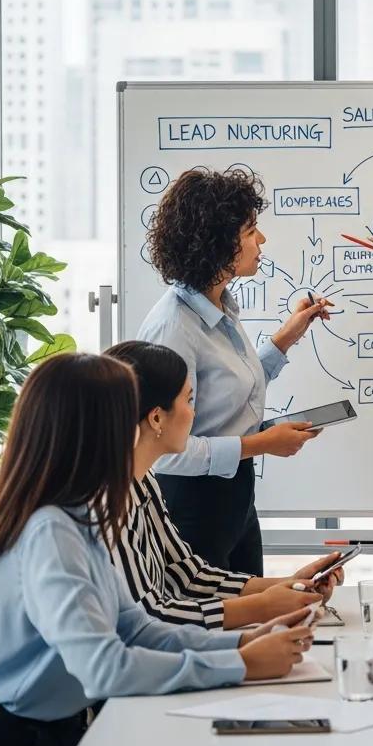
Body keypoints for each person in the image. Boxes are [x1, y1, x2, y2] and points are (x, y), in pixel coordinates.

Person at [0, 353, 315, 746]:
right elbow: (105, 669)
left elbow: (135, 628)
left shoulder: (80, 513)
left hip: (52, 734)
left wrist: (241, 645)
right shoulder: (51, 531)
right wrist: (239, 667)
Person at [139, 166, 331, 575]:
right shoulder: (174, 327)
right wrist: (261, 445)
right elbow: (165, 454)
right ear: (217, 243)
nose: (261, 240)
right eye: (250, 231)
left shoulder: (219, 305)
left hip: (235, 498)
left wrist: (287, 336)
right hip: (192, 507)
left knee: (248, 621)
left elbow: (234, 385)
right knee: (213, 626)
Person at [106, 339, 347, 628]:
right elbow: (149, 615)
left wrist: (293, 583)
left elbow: (189, 578)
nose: (194, 413)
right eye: (189, 400)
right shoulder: (107, 501)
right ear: (156, 418)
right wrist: (264, 608)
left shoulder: (143, 481)